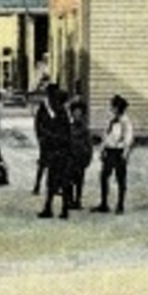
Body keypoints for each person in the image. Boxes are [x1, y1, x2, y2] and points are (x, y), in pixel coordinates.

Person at [37, 85, 74, 219]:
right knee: (58, 181)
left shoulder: (61, 115)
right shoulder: (63, 113)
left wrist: (48, 135)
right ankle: (57, 208)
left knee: (56, 181)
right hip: (61, 152)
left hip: (59, 152)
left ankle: (57, 209)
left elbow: (63, 135)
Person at [95, 95, 134, 214]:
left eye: (113, 106)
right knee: (104, 176)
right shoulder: (111, 120)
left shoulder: (125, 121)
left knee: (120, 178)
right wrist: (102, 150)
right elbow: (106, 136)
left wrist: (125, 154)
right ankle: (104, 203)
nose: (111, 108)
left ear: (118, 107)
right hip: (110, 151)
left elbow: (128, 139)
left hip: (119, 152)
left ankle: (120, 204)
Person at [66, 96, 94, 210]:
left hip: (80, 158)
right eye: (75, 112)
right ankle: (70, 200)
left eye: (79, 112)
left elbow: (89, 144)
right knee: (68, 179)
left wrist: (88, 157)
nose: (77, 115)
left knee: (79, 180)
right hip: (70, 157)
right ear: (72, 114)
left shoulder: (85, 129)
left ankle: (78, 200)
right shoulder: (68, 127)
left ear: (82, 114)